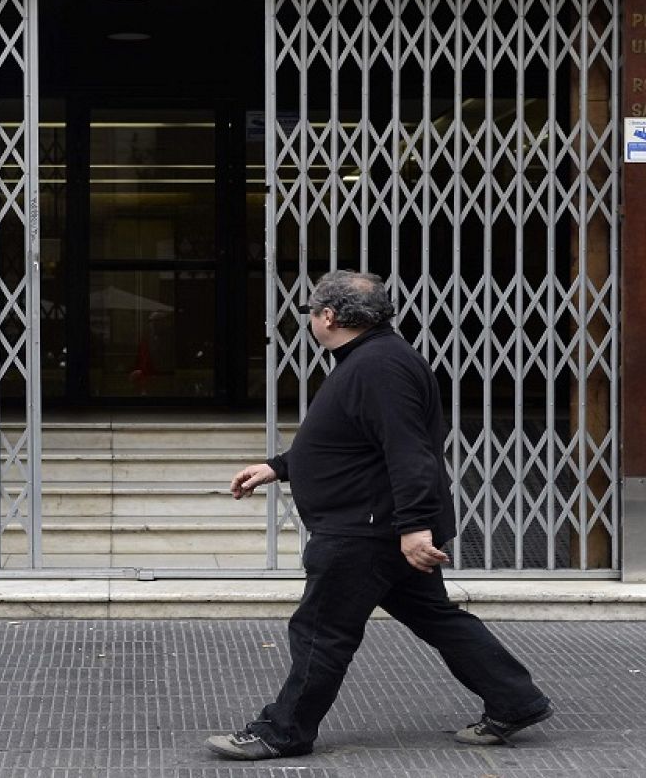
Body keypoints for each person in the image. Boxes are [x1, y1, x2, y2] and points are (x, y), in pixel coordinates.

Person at [204, 270, 552, 761]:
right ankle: (516, 700)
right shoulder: (374, 359)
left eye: (311, 312)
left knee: (321, 632)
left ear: (329, 316)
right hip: (378, 525)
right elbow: (354, 442)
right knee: (435, 617)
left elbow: (409, 453)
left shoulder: (379, 367)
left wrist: (413, 527)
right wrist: (279, 467)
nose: (309, 320)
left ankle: (283, 731)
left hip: (365, 531)